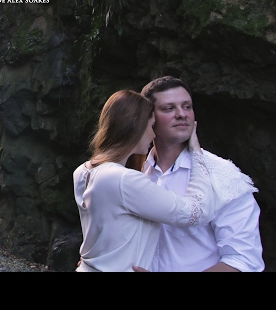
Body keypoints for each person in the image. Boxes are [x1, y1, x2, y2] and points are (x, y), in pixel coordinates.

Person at [73, 89, 217, 272]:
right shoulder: (124, 179)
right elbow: (196, 212)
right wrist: (196, 153)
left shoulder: (82, 172)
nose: (153, 134)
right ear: (136, 126)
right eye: (151, 126)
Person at [133, 76, 264, 272]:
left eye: (187, 107)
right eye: (169, 108)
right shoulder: (134, 173)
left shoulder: (223, 175)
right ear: (148, 118)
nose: (181, 114)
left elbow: (243, 260)